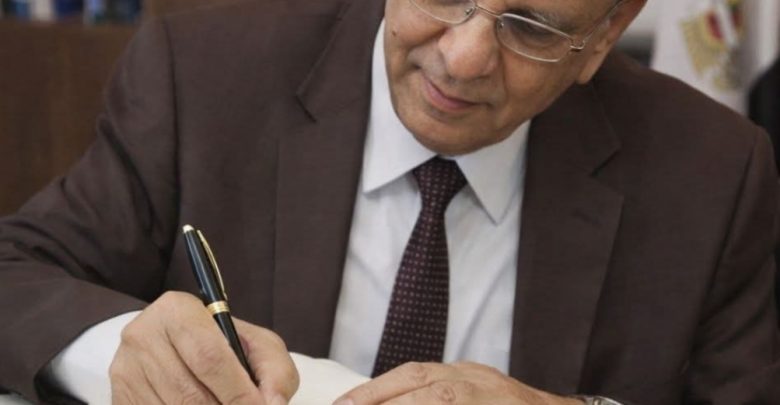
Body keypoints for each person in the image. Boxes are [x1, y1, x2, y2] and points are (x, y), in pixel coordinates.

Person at [0, 0, 778, 403]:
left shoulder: (712, 174)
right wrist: (120, 347)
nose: (463, 57)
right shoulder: (202, 77)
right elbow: (15, 273)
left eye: (533, 28)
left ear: (607, 33)